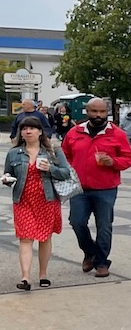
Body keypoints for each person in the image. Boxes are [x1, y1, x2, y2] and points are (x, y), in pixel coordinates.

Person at [61, 97, 131, 278]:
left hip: (106, 188)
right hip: (79, 189)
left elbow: (129, 158)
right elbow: (64, 156)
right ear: (87, 112)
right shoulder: (74, 132)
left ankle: (102, 262)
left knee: (104, 226)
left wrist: (113, 162)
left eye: (102, 112)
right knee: (77, 222)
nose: (99, 115)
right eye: (94, 111)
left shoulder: (117, 134)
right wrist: (69, 171)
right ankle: (90, 252)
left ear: (107, 112)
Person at [4, 116, 73, 290]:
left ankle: (43, 274)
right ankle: (25, 277)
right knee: (25, 238)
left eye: (32, 128)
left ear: (40, 131)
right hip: (23, 200)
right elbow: (8, 173)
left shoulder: (53, 152)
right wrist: (6, 178)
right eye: (25, 128)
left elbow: (66, 173)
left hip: (47, 200)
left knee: (44, 237)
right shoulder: (14, 153)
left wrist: (51, 169)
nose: (28, 131)